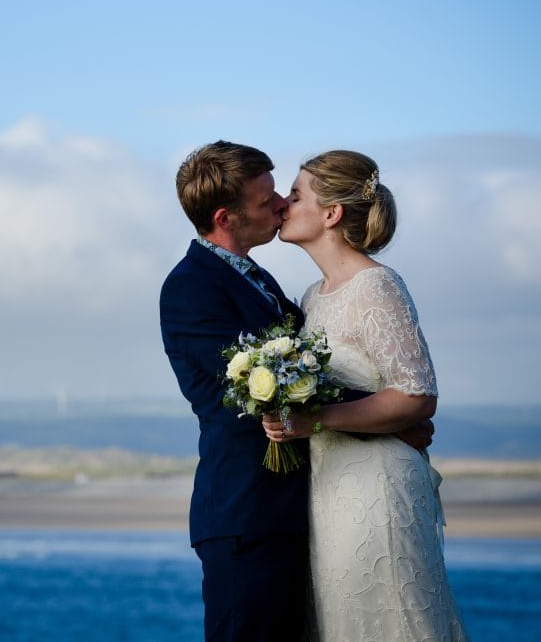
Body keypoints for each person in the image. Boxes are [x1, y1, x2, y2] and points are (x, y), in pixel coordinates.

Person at [160, 141, 434, 642]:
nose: (281, 206)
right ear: (226, 217)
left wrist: (396, 412)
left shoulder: (261, 280)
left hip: (309, 504)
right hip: (248, 512)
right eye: (268, 201)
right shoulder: (191, 288)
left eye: (284, 194)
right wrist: (397, 417)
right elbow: (253, 393)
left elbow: (306, 376)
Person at [263, 150, 469, 641]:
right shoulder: (314, 296)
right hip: (328, 487)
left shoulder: (377, 286)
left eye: (294, 195)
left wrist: (316, 420)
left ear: (331, 214)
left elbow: (418, 395)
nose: (282, 206)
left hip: (377, 486)